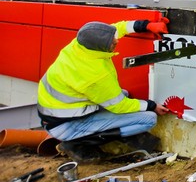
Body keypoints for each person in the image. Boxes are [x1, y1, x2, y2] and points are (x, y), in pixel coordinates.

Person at [37, 18, 171, 162]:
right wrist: (152, 105)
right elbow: (120, 106)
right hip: (65, 125)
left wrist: (146, 25)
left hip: (59, 112)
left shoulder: (81, 44)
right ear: (101, 47)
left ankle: (99, 132)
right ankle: (76, 144)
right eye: (113, 43)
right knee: (148, 119)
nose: (117, 41)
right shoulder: (94, 75)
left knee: (123, 94)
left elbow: (117, 29)